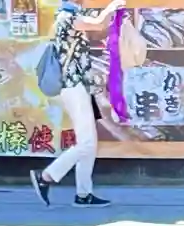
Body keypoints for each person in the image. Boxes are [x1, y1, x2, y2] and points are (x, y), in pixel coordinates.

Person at [31, 0, 124, 209]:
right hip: (73, 87)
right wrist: (111, 8)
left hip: (79, 87)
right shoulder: (67, 17)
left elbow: (99, 23)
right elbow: (98, 24)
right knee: (87, 144)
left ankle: (84, 194)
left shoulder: (72, 14)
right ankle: (46, 176)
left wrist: (111, 13)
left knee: (89, 142)